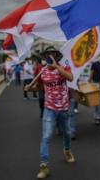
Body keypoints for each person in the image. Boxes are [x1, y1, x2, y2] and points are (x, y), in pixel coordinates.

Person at [25, 46, 75, 179]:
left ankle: (67, 150)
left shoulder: (64, 68)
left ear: (57, 56)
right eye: (48, 54)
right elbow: (39, 87)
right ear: (44, 57)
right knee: (46, 136)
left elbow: (70, 78)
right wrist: (30, 88)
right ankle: (44, 166)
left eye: (53, 54)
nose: (50, 56)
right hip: (49, 108)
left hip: (64, 108)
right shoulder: (42, 71)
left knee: (67, 133)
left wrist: (57, 67)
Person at [89, 53, 100, 124]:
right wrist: (89, 81)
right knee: (97, 102)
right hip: (96, 84)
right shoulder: (95, 64)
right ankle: (97, 117)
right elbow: (91, 73)